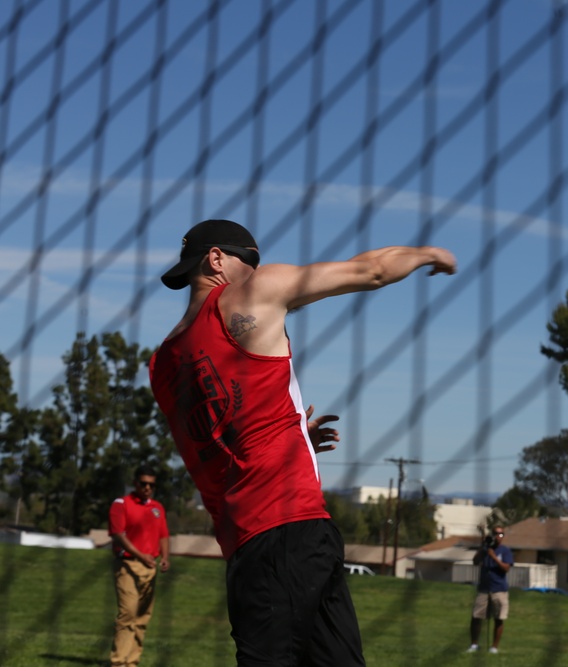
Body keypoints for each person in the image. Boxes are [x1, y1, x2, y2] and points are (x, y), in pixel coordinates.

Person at [148, 219, 456, 666]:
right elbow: (370, 270)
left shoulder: (162, 364)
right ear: (217, 259)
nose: (257, 270)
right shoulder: (253, 293)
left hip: (244, 544)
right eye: (250, 260)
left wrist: (291, 432)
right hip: (292, 525)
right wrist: (429, 253)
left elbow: (215, 430)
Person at [108, 464, 171, 667]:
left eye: (151, 485)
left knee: (142, 617)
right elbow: (118, 534)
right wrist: (140, 555)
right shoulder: (121, 504)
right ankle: (118, 662)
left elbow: (163, 535)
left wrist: (165, 557)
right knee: (127, 614)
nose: (147, 488)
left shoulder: (157, 507)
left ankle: (132, 661)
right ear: (135, 483)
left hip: (150, 567)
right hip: (127, 565)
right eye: (143, 483)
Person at [467, 526, 514, 654]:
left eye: (501, 534)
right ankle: (474, 645)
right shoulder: (485, 549)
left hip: (499, 589)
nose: (498, 536)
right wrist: (482, 550)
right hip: (484, 588)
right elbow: (475, 562)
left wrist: (494, 557)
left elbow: (506, 568)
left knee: (499, 618)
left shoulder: (505, 551)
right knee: (476, 617)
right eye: (496, 534)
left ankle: (494, 647)